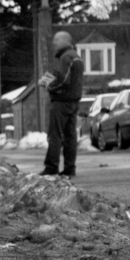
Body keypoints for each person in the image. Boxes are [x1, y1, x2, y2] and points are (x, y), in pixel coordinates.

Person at [38, 31, 85, 177]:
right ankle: (70, 169)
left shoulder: (66, 57)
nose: (54, 43)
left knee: (55, 136)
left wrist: (48, 85)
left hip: (61, 103)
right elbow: (70, 81)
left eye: (57, 40)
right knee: (70, 137)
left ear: (66, 41)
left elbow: (63, 80)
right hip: (73, 103)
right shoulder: (77, 57)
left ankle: (51, 168)